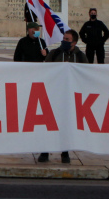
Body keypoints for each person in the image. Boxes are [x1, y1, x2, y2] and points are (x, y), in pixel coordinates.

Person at [39, 30, 88, 164]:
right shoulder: (54, 54)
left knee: (66, 125)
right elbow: (46, 70)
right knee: (48, 124)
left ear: (74, 42)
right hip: (53, 95)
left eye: (67, 39)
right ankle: (44, 151)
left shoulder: (80, 56)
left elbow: (86, 73)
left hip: (69, 97)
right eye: (63, 38)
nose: (64, 41)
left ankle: (65, 152)